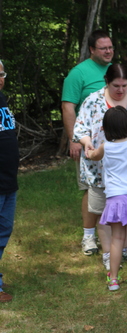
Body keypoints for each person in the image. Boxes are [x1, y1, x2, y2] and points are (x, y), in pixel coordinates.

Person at [73, 64, 127, 270]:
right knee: (105, 213)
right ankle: (109, 252)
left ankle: (126, 249)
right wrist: (87, 143)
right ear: (107, 81)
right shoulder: (93, 101)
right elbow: (80, 128)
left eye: (125, 85)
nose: (121, 90)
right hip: (99, 172)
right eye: (116, 85)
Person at [62, 30, 114, 256]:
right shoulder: (78, 73)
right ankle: (88, 237)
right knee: (91, 189)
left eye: (110, 47)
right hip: (89, 144)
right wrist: (74, 139)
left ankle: (114, 235)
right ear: (92, 50)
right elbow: (68, 106)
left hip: (114, 144)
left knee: (114, 190)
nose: (108, 51)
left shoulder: (114, 71)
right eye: (103, 48)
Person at [86, 106, 127, 291]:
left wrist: (89, 149)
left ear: (106, 128)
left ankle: (113, 279)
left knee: (117, 238)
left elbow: (92, 156)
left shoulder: (105, 147)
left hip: (115, 198)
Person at [0, 60, 19, 303]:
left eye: (2, 73)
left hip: (8, 180)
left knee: (4, 229)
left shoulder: (2, 98)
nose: (0, 78)